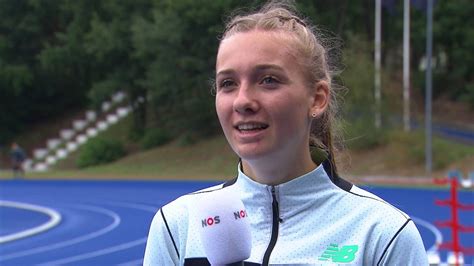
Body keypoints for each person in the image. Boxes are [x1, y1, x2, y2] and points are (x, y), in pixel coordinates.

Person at [144, 2, 428, 265]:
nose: (243, 101)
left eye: (268, 80)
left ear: (317, 99)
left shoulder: (382, 234)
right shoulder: (177, 225)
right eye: (228, 83)